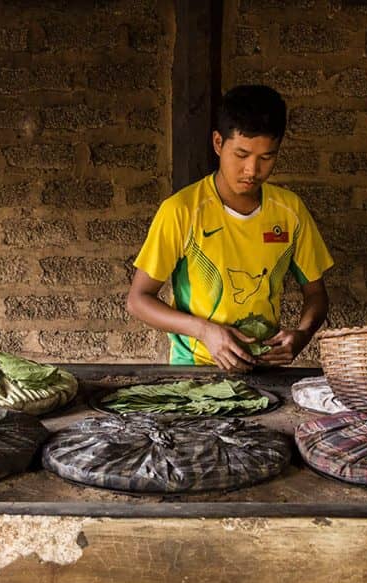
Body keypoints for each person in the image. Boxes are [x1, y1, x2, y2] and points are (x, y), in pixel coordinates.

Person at [126, 84, 334, 372]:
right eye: (241, 154)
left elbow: (316, 294)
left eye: (266, 157)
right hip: (195, 369)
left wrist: (302, 334)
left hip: (265, 369)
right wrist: (205, 331)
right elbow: (138, 300)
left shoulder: (290, 211)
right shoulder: (182, 211)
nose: (252, 170)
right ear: (218, 143)